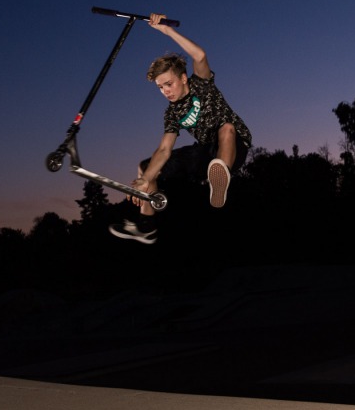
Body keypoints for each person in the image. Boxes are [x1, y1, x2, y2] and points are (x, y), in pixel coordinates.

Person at [108, 12, 252, 244]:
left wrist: (166, 30)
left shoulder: (201, 85)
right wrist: (146, 178)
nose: (165, 91)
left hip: (235, 148)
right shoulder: (172, 113)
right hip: (206, 153)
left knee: (226, 128)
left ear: (184, 78)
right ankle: (146, 227)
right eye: (160, 87)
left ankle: (221, 178)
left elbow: (200, 55)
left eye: (169, 84)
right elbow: (164, 150)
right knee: (147, 167)